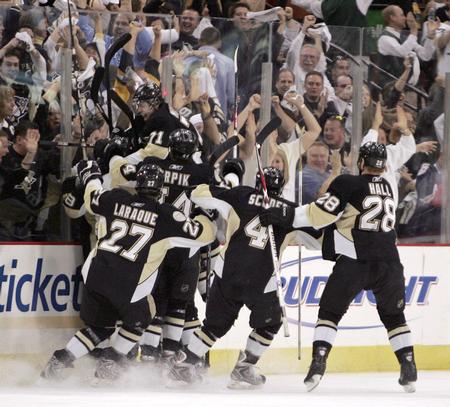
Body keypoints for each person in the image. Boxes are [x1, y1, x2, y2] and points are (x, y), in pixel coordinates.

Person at [261, 142, 417, 393]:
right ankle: (408, 367)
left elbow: (321, 213)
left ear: (362, 162)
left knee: (329, 313)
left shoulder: (349, 183)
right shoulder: (387, 187)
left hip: (356, 261)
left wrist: (285, 215)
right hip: (389, 262)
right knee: (394, 317)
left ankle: (318, 365)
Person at [41, 162, 216, 381]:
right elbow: (205, 236)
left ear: (137, 184)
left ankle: (59, 361)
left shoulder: (115, 198)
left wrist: (91, 175)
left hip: (96, 276)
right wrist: (204, 213)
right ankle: (111, 361)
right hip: (129, 283)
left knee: (100, 328)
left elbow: (92, 195)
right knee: (144, 315)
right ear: (160, 189)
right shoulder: (165, 215)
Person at [168, 167, 321, 388]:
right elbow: (318, 240)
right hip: (262, 279)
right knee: (270, 323)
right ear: (281, 186)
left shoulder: (240, 195)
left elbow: (198, 194)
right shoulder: (290, 211)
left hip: (227, 272)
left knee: (214, 326)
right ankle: (245, 367)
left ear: (258, 182)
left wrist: (211, 186)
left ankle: (184, 365)